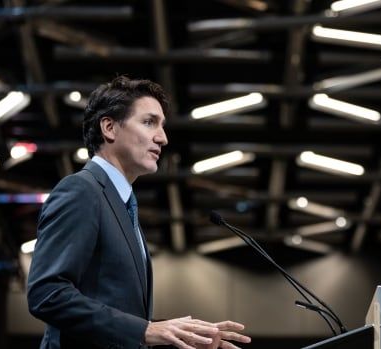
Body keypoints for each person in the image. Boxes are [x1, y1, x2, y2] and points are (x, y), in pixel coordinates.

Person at [27, 76, 251, 349]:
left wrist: (183, 334)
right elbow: (46, 294)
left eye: (162, 126)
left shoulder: (121, 204)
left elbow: (119, 314)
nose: (163, 138)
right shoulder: (81, 191)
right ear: (109, 127)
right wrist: (146, 330)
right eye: (149, 122)